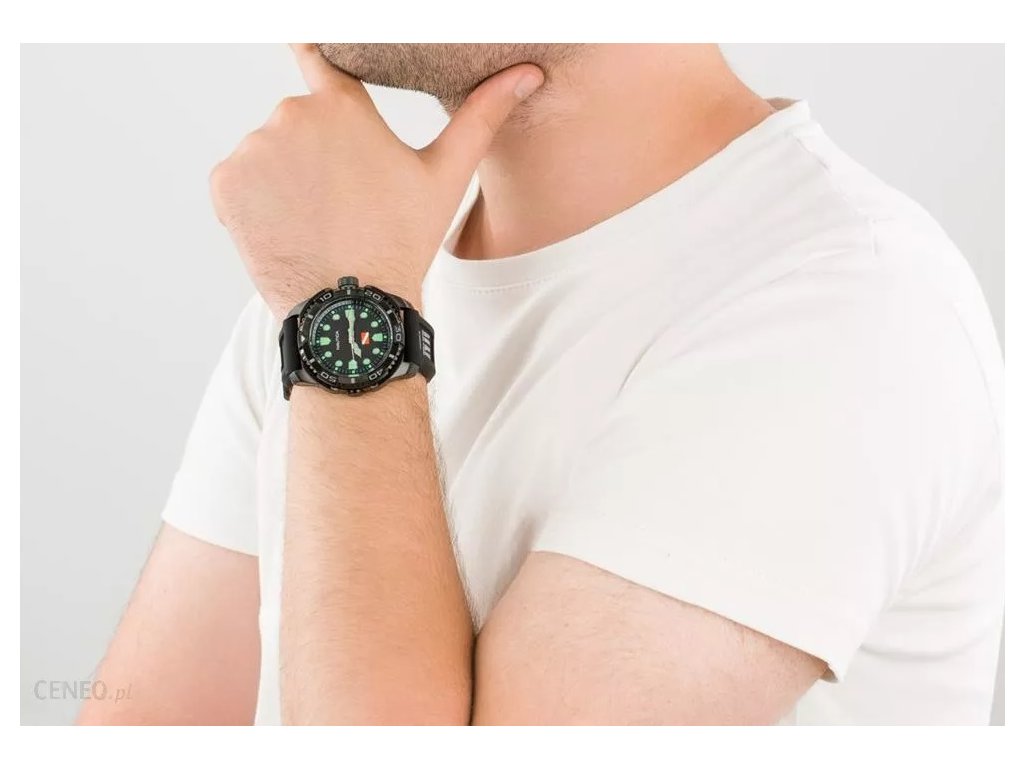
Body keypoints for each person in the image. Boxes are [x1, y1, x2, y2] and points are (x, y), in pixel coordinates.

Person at [77, 43, 1004, 725]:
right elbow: (148, 729)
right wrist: (344, 293)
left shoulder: (844, 300)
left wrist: (348, 308)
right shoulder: (350, 253)